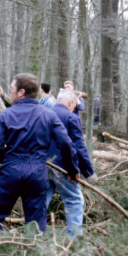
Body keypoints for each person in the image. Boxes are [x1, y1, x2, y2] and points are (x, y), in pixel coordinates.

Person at [0, 73, 78, 233]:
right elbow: (66, 144)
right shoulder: (49, 115)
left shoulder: (6, 115)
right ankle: (33, 254)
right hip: (37, 174)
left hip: (11, 172)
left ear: (21, 92)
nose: (9, 91)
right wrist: (72, 169)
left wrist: (9, 160)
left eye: (11, 88)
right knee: (35, 225)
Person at [45, 89, 96, 236]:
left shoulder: (45, 114)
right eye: (74, 105)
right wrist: (88, 172)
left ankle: (33, 236)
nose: (74, 108)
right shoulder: (71, 117)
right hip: (63, 169)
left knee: (41, 202)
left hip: (43, 166)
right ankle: (74, 240)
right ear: (70, 102)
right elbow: (77, 147)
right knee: (74, 200)